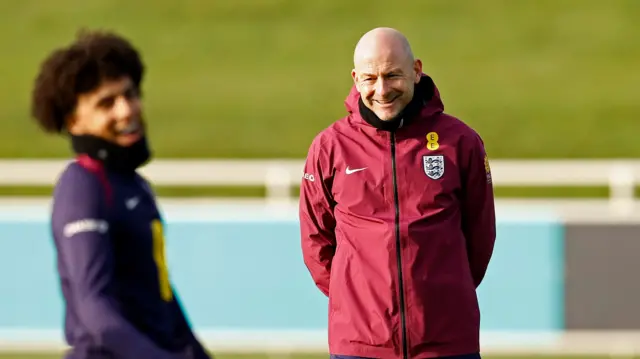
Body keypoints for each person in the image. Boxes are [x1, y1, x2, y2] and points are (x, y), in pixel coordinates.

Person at [299, 27, 496, 359]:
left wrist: (439, 298)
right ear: (355, 78)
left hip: (447, 342)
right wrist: (355, 299)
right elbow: (316, 242)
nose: (381, 90)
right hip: (359, 345)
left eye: (393, 75)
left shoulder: (461, 142)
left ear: (416, 71)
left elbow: (479, 238)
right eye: (369, 78)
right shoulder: (329, 148)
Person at [30, 30, 211, 359]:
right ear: (73, 121)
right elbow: (95, 312)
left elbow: (162, 298)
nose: (126, 110)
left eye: (130, 94)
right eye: (106, 103)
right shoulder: (81, 187)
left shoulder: (134, 184)